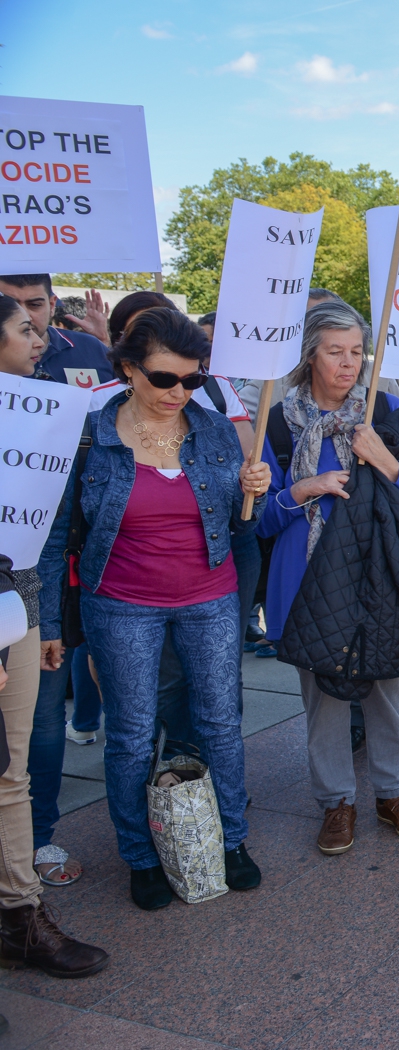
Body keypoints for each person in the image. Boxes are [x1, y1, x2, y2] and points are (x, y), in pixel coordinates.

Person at [38, 308, 267, 910]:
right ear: (128, 369)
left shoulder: (213, 429)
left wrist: (253, 493)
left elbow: (245, 524)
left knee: (220, 724)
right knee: (133, 736)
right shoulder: (92, 434)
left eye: (193, 380)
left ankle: (231, 840)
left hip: (210, 597)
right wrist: (51, 623)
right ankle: (140, 855)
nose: (181, 393)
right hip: (120, 603)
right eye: (166, 379)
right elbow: (59, 530)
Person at [257, 301, 399, 854]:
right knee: (323, 698)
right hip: (310, 579)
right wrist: (303, 489)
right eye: (335, 352)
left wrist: (383, 458)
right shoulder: (278, 422)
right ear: (310, 354)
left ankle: (392, 792)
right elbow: (259, 518)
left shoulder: (384, 410)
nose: (348, 363)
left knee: (387, 688)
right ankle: (336, 802)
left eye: (356, 351)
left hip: (379, 576)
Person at [0, 299, 108, 973]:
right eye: (25, 329)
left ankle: (20, 915)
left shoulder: (39, 409)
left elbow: (42, 526)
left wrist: (43, 622)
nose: (41, 340)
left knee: (10, 775)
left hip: (17, 609)